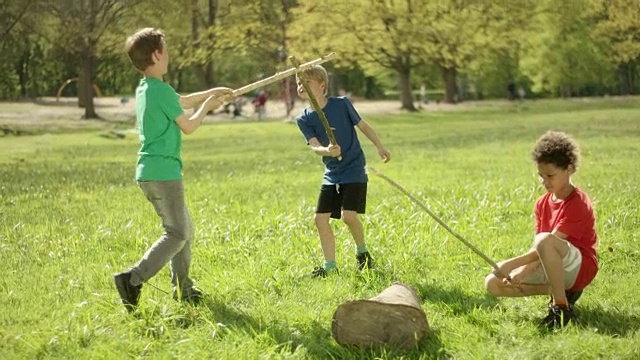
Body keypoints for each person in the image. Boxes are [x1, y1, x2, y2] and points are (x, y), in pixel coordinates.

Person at [114, 27, 233, 311]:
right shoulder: (161, 90)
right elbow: (189, 125)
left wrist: (213, 93)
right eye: (165, 50)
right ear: (157, 55)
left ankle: (184, 289)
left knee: (184, 229)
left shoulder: (147, 88)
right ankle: (133, 279)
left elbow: (179, 101)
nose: (168, 55)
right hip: (164, 174)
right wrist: (207, 105)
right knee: (177, 233)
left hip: (148, 172)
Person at [484, 131, 598, 329]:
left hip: (579, 268)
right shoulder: (542, 203)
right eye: (541, 176)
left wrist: (511, 264)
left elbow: (546, 242)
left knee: (545, 239)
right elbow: (539, 249)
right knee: (493, 283)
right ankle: (563, 292)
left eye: (550, 175)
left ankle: (561, 307)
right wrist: (521, 273)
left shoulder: (578, 203)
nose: (544, 181)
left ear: (569, 169)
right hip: (553, 264)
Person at [294, 65, 391, 278]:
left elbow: (363, 126)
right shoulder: (303, 119)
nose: (301, 86)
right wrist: (326, 150)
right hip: (332, 172)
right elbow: (314, 146)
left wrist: (379, 146)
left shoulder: (341, 105)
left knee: (349, 217)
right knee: (320, 219)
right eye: (298, 83)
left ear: (322, 85)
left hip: (354, 168)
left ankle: (362, 253)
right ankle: (330, 266)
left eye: (306, 82)